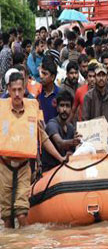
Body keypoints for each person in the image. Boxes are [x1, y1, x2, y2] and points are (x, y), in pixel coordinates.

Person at [0, 73, 65, 228]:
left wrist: (60, 158)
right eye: (13, 89)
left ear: (24, 90)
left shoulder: (32, 108)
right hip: (4, 167)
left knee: (22, 213)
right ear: (8, 89)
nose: (16, 94)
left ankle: (26, 246)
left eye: (20, 89)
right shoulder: (1, 110)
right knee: (7, 217)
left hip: (24, 168)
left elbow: (43, 137)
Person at [42, 91, 81, 173]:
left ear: (71, 108)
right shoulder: (52, 124)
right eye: (62, 105)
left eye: (67, 106)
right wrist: (73, 142)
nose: (64, 109)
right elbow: (60, 143)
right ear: (57, 108)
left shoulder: (70, 127)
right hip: (49, 171)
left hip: (64, 171)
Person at [83, 65, 108, 131]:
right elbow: (85, 119)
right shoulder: (88, 96)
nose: (101, 78)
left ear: (107, 77)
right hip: (94, 134)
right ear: (95, 77)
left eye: (103, 75)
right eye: (99, 75)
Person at [37, 57, 60, 124]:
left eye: (45, 74)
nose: (41, 76)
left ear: (52, 77)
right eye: (41, 73)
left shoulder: (59, 94)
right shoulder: (37, 93)